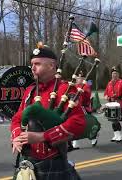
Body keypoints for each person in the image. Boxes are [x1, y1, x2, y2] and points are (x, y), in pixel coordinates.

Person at [11, 44, 85, 180]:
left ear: (51, 66)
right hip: (26, 160)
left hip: (52, 161)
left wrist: (42, 136)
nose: (32, 68)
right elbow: (17, 118)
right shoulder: (30, 90)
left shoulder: (65, 90)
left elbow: (78, 123)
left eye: (37, 64)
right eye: (32, 64)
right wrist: (17, 137)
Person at [72, 71, 98, 149]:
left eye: (79, 78)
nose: (78, 79)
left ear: (83, 78)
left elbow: (87, 96)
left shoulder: (86, 86)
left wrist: (82, 92)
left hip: (84, 108)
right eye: (77, 78)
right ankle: (75, 142)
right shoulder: (74, 86)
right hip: (74, 108)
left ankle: (93, 137)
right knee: (74, 125)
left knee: (88, 124)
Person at [104, 67, 122, 142]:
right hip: (111, 103)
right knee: (112, 120)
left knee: (116, 120)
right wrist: (106, 97)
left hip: (119, 103)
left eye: (115, 73)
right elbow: (105, 93)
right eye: (113, 74)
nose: (114, 75)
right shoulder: (109, 83)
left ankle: (120, 135)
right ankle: (116, 135)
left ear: (118, 74)